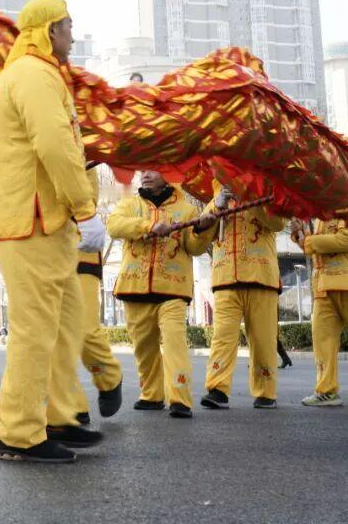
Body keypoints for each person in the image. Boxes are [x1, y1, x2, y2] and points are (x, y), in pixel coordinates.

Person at [0, 0, 106, 464]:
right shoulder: (34, 74)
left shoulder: (36, 73)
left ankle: (54, 417)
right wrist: (85, 208)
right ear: (50, 31)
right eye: (69, 26)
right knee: (36, 330)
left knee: (58, 325)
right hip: (31, 220)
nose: (73, 34)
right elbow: (54, 145)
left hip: (41, 219)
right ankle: (17, 434)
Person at [107, 170, 216, 419]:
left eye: (153, 170)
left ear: (169, 176)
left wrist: (203, 230)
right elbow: (114, 226)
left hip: (172, 289)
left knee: (175, 343)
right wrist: (149, 226)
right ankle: (151, 395)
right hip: (135, 288)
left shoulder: (187, 210)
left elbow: (195, 248)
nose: (145, 175)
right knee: (144, 349)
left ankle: (180, 399)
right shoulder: (129, 205)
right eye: (143, 171)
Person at [200, 182, 284, 410]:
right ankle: (217, 389)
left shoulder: (266, 192)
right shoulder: (216, 198)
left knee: (263, 339)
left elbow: (277, 222)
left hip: (262, 278)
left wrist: (249, 199)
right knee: (222, 336)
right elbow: (199, 234)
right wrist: (215, 209)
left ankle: (266, 392)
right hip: (225, 279)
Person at [71, 167, 123, 425]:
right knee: (49, 336)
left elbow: (81, 190)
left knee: (84, 331)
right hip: (41, 251)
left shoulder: (75, 144)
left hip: (80, 251)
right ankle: (69, 405)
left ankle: (109, 376)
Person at [292, 217, 348, 406]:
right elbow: (313, 250)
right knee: (322, 339)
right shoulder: (320, 217)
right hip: (323, 288)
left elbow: (345, 240)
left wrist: (309, 241)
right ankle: (326, 391)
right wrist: (300, 234)